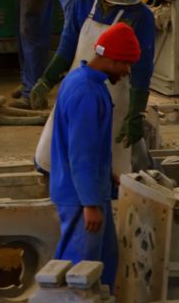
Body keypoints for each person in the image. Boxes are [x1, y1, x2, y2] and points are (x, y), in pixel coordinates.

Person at [30, 0, 155, 179]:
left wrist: (136, 114)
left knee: (110, 165)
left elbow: (142, 70)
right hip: (77, 89)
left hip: (116, 97)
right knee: (61, 153)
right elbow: (67, 47)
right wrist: (45, 81)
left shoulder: (141, 16)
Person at [50, 22, 139, 288]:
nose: (127, 71)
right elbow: (82, 153)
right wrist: (90, 204)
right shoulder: (87, 93)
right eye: (125, 64)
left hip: (87, 189)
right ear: (110, 59)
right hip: (80, 196)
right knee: (82, 268)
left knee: (103, 260)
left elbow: (90, 147)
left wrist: (106, 173)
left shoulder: (82, 80)